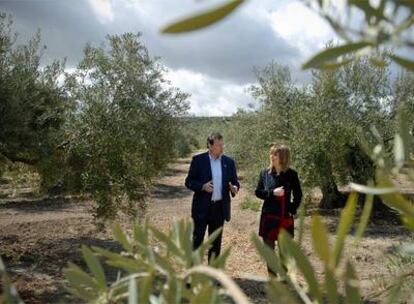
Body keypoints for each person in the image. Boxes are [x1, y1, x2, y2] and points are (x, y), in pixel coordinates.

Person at [185, 132, 240, 262]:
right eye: (218, 145)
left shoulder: (229, 162)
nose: (222, 147)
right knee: (197, 241)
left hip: (219, 209)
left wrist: (235, 188)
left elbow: (235, 182)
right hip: (201, 208)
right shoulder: (198, 161)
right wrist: (202, 187)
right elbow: (189, 182)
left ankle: (212, 277)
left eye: (222, 144)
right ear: (210, 145)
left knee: (215, 243)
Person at [255, 144, 302, 276]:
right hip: (268, 217)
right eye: (271, 153)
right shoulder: (264, 173)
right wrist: (272, 193)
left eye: (275, 154)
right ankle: (272, 280)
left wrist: (292, 209)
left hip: (284, 217)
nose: (272, 156)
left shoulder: (291, 174)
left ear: (283, 157)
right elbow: (258, 192)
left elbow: (298, 195)